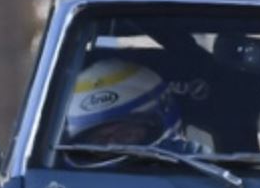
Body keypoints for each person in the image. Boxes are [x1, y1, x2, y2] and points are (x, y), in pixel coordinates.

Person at [64, 56, 200, 154]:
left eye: (125, 134)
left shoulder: (195, 167)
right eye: (100, 139)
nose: (111, 144)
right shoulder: (57, 176)